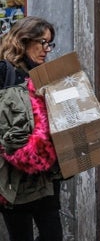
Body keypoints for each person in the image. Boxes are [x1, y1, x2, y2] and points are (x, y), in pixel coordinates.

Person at [0, 16, 63, 241]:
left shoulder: (44, 75)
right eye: (42, 42)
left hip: (45, 176)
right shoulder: (3, 71)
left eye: (49, 44)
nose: (47, 49)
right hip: (13, 178)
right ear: (24, 40)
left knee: (53, 235)